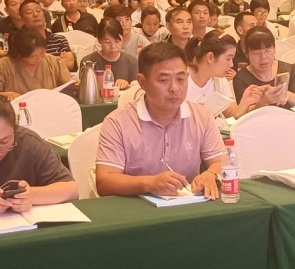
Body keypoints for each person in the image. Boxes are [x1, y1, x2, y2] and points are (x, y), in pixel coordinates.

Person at [94, 42, 226, 199]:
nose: (174, 88)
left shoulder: (201, 115)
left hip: (188, 205)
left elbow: (221, 162)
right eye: (164, 80)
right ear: (142, 82)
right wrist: (149, 184)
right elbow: (105, 181)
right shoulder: (118, 122)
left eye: (181, 79)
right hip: (138, 207)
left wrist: (211, 174)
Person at [185, 31, 263, 118]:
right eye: (228, 58)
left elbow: (231, 114)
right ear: (210, 57)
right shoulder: (181, 78)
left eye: (232, 59)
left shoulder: (220, 80)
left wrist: (245, 102)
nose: (231, 64)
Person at [0, 29, 72, 102]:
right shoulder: (3, 65)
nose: (40, 58)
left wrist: (74, 84)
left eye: (42, 52)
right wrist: (6, 95)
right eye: (34, 56)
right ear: (20, 55)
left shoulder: (53, 61)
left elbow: (68, 86)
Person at [232, 27, 295, 109]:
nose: (263, 57)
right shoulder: (241, 79)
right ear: (246, 54)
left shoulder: (288, 69)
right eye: (256, 52)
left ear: (275, 49)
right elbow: (243, 113)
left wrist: (289, 95)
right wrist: (264, 100)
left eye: (268, 51)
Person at [79, 19, 137, 89]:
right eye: (107, 42)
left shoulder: (132, 62)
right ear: (99, 40)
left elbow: (136, 89)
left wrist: (128, 85)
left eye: (117, 41)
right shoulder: (88, 62)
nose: (113, 46)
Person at [19, 0, 75, 71]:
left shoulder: (59, 39)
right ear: (22, 19)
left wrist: (40, 64)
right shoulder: (20, 42)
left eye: (38, 11)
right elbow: (26, 68)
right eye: (29, 13)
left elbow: (69, 64)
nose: (35, 14)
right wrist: (58, 60)